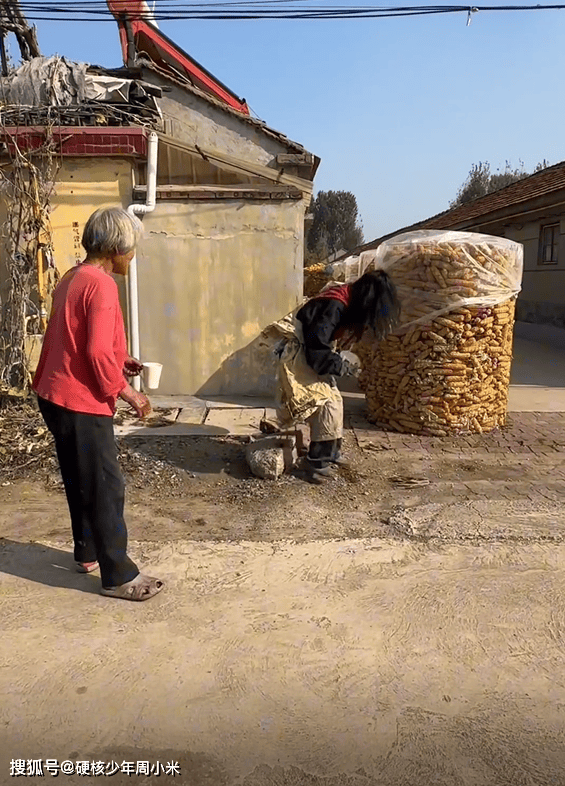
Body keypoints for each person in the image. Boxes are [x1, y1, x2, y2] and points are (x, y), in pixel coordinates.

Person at [32, 206, 164, 601]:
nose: (133, 255)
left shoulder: (73, 277)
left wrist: (121, 359)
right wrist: (129, 392)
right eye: (132, 248)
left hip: (53, 394)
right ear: (117, 247)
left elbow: (75, 337)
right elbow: (92, 351)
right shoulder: (102, 285)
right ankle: (118, 575)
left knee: (79, 476)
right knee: (106, 484)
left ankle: (86, 551)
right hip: (79, 399)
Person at [272, 270, 401, 482]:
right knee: (325, 404)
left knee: (335, 400)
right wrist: (339, 366)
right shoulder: (335, 306)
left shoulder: (345, 298)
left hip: (312, 348)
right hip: (299, 350)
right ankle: (315, 463)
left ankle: (330, 452)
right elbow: (316, 348)